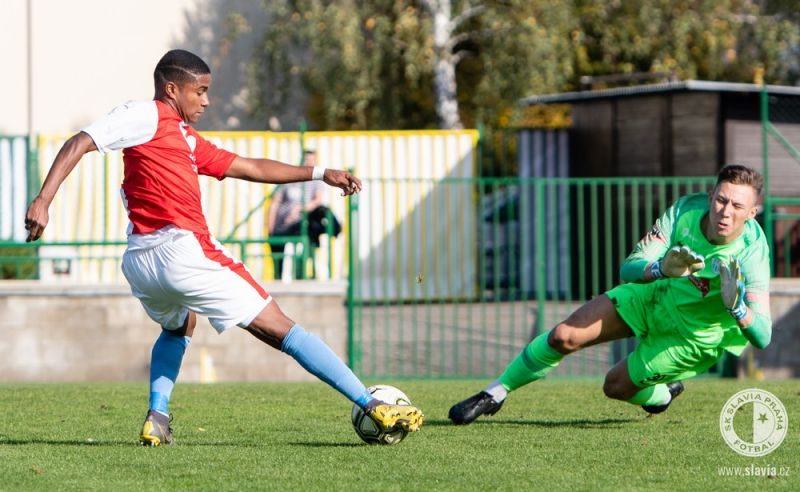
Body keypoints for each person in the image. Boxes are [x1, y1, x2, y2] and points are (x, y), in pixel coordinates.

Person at [24, 49, 423, 446]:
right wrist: (44, 199)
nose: (206, 99)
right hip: (182, 250)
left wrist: (320, 173)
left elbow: (250, 167)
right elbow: (81, 141)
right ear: (171, 89)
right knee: (281, 326)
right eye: (199, 90)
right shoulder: (144, 115)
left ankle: (157, 417)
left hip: (142, 263)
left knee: (181, 325)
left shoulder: (185, 139)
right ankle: (372, 404)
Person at [449, 164, 772, 424]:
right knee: (563, 336)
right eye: (720, 199)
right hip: (655, 295)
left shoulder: (751, 254)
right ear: (711, 195)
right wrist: (659, 269)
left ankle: (661, 396)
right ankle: (494, 393)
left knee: (614, 386)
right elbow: (630, 267)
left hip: (691, 336)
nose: (725, 211)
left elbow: (763, 336)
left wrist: (737, 308)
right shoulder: (685, 212)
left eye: (737, 205)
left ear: (752, 213)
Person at [267, 149, 339, 279]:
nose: (309, 163)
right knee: (277, 254)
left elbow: (317, 200)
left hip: (301, 224)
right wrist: (270, 225)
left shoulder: (317, 181)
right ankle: (278, 277)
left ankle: (306, 272)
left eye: (311, 160)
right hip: (282, 225)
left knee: (311, 232)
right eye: (307, 160)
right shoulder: (290, 177)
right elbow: (275, 202)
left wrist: (300, 209)